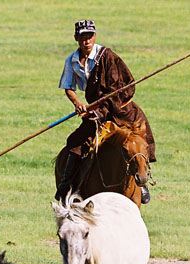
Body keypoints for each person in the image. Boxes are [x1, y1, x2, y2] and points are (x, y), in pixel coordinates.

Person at [56, 19, 156, 203]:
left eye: (90, 36)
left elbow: (120, 88)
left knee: (136, 142)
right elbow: (68, 87)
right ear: (76, 38)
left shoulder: (108, 57)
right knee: (76, 143)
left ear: (94, 36)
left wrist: (102, 109)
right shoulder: (72, 61)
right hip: (94, 111)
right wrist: (78, 103)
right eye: (83, 37)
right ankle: (66, 184)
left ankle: (142, 183)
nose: (87, 41)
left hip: (119, 110)